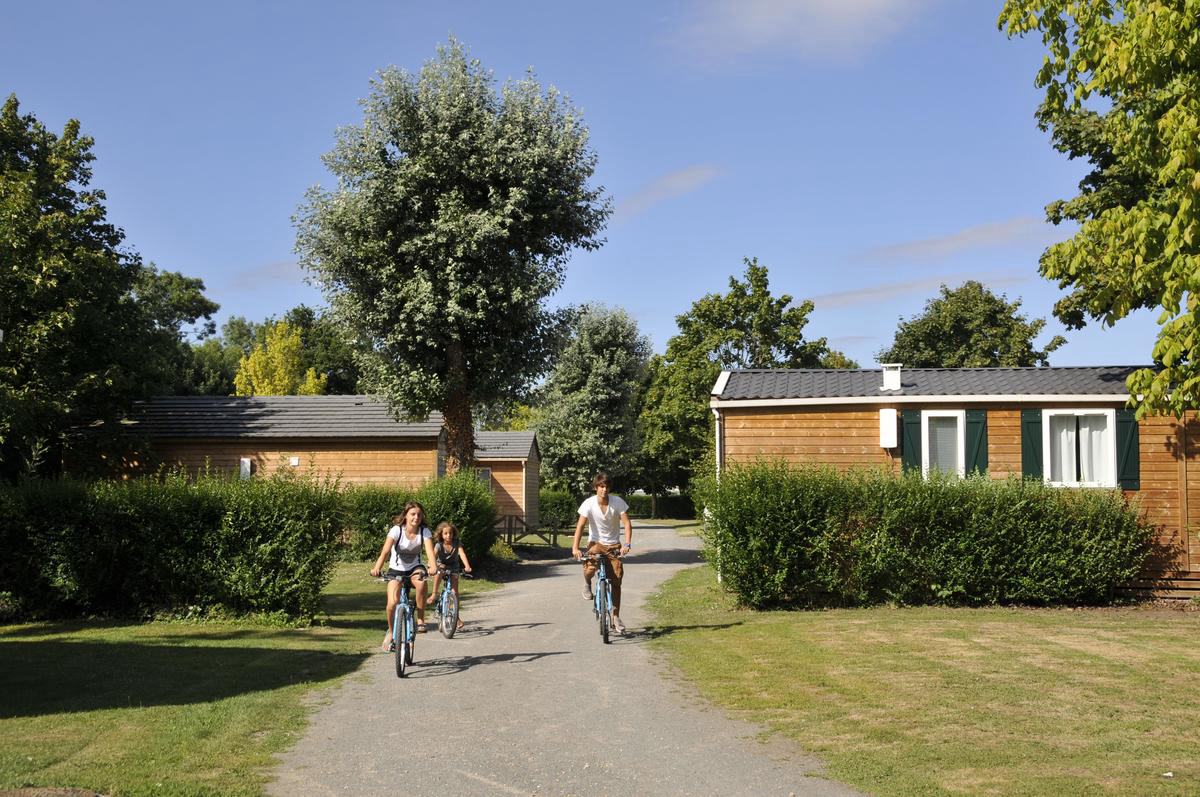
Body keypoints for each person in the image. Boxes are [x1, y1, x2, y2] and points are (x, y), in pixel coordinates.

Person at [369, 501, 437, 652]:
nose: (416, 517)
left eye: (419, 514)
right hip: (396, 570)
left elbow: (430, 552)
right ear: (406, 516)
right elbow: (385, 552)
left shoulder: (424, 531)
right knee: (392, 603)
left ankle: (420, 619)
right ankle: (392, 632)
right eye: (413, 514)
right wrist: (377, 568)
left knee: (421, 582)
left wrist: (433, 566)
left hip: (415, 568)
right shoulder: (396, 530)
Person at [571, 472, 633, 635]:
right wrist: (575, 548)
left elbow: (626, 524)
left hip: (613, 545)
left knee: (617, 580)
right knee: (590, 568)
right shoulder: (588, 504)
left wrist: (626, 544)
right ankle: (586, 583)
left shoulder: (617, 502)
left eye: (606, 487)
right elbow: (580, 526)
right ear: (595, 488)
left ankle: (616, 617)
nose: (604, 490)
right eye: (601, 486)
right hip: (595, 544)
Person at [429, 521, 474, 629]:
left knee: (454, 592)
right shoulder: (439, 545)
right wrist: (431, 566)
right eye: (445, 533)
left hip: (454, 567)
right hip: (441, 566)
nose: (448, 535)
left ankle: (456, 617)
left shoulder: (456, 543)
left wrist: (467, 566)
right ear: (441, 534)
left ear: (453, 534)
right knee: (439, 572)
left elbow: (462, 553)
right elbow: (433, 556)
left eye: (450, 533)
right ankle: (434, 593)